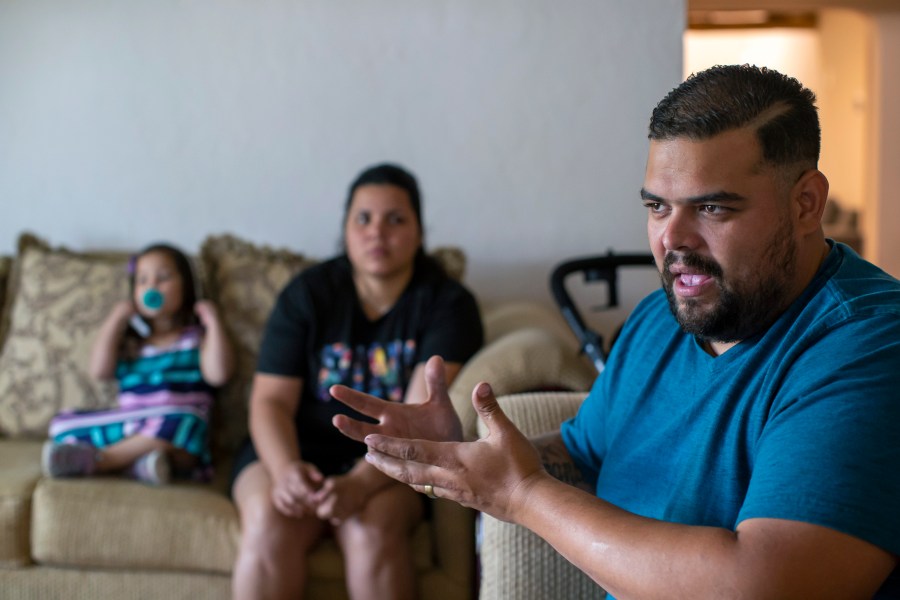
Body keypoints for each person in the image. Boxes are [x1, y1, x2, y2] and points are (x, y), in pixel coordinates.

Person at [331, 65, 900, 599]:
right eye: (657, 207)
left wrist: (521, 495)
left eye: (712, 209)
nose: (672, 240)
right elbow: (584, 455)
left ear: (806, 203)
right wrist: (470, 451)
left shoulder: (867, 343)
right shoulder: (660, 320)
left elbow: (761, 584)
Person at [229, 163, 484, 600]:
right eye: (363, 218)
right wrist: (286, 471)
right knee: (270, 522)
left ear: (420, 232)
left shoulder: (447, 304)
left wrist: (359, 485)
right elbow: (269, 402)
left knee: (372, 528)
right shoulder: (307, 294)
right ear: (345, 230)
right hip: (294, 449)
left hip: (388, 463)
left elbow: (418, 420)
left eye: (395, 219)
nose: (376, 232)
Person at [42, 243, 234, 485]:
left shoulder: (196, 338)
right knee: (61, 424)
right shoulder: (132, 344)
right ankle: (140, 464)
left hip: (181, 430)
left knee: (183, 420)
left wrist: (213, 321)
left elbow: (219, 375)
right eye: (142, 280)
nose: (151, 286)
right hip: (133, 423)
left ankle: (102, 461)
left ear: (186, 286)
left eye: (163, 278)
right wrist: (117, 318)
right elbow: (99, 371)